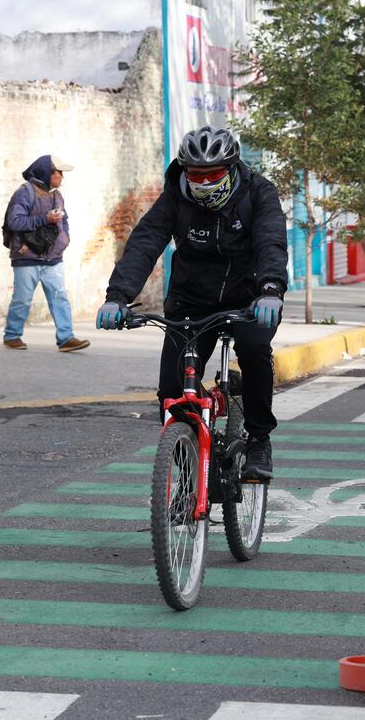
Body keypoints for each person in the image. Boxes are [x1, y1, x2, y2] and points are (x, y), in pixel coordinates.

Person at [95, 126, 289, 483]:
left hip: (250, 299)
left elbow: (270, 241)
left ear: (230, 169)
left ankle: (260, 438)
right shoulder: (175, 198)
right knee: (172, 393)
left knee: (253, 347)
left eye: (212, 174)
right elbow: (145, 242)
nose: (203, 181)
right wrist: (117, 297)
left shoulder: (258, 192)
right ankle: (188, 477)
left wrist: (271, 290)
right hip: (191, 301)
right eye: (195, 174)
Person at [3, 155, 91, 352]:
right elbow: (14, 222)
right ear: (46, 173)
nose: (62, 177)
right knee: (22, 299)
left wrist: (64, 238)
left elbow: (64, 220)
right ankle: (12, 335)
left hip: (53, 258)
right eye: (58, 172)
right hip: (27, 257)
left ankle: (66, 338)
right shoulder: (24, 193)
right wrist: (45, 218)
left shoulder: (56, 195)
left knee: (60, 297)